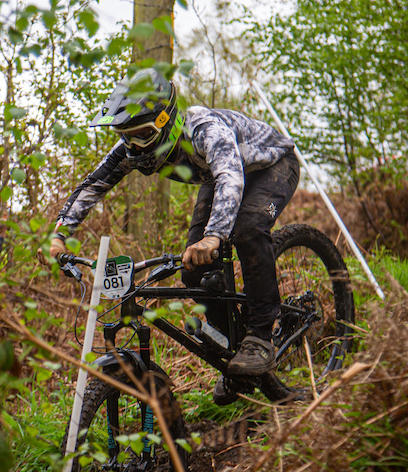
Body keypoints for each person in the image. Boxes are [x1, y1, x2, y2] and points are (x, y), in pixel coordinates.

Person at [48, 68, 301, 404]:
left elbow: (231, 177)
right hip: (219, 178)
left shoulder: (203, 130)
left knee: (247, 229)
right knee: (193, 268)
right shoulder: (131, 149)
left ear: (166, 121)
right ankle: (236, 359)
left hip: (271, 165)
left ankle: (259, 338)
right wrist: (59, 235)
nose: (134, 146)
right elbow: (93, 184)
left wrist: (214, 236)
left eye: (141, 134)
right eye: (127, 136)